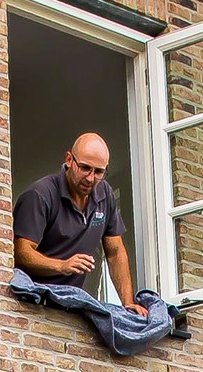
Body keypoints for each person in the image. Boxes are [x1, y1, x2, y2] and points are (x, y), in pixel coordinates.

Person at [13, 133, 149, 318]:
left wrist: (128, 303)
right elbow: (20, 253)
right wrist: (62, 265)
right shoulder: (40, 195)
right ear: (69, 159)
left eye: (99, 172)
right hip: (33, 303)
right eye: (85, 168)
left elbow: (115, 251)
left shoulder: (105, 194)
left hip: (72, 305)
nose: (91, 178)